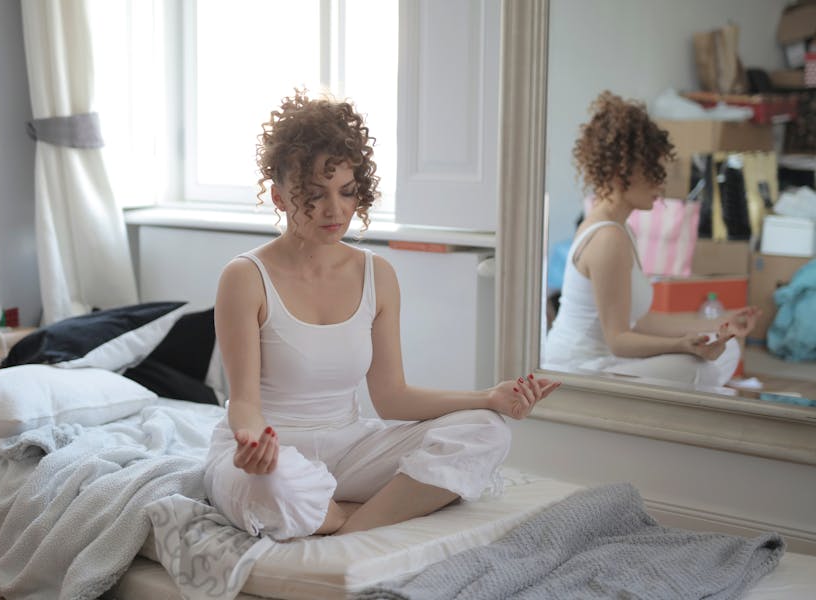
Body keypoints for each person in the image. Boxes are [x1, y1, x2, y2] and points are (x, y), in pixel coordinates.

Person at [202, 89, 560, 541]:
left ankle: (348, 524)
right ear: (278, 196)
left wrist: (488, 397)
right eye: (314, 194)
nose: (335, 210)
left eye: (347, 192)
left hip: (349, 446)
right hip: (273, 451)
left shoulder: (378, 274)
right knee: (272, 488)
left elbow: (392, 398)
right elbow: (245, 403)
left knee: (487, 433)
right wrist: (252, 444)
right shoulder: (245, 277)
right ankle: (348, 512)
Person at [543, 91, 760, 389]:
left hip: (605, 360)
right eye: (653, 172)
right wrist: (683, 346)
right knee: (698, 369)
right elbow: (619, 341)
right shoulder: (608, 238)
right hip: (580, 369)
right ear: (622, 172)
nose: (661, 182)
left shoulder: (619, 228)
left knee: (726, 350)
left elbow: (642, 322)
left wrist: (721, 322)